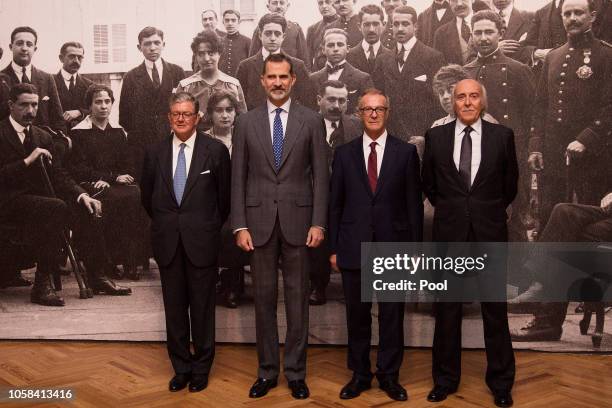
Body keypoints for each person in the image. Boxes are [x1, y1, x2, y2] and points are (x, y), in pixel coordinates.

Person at [231, 53, 329, 400]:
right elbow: (237, 178)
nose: (277, 83)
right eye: (271, 77)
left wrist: (318, 222)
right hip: (257, 225)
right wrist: (239, 225)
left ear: (293, 80)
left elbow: (321, 177)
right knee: (263, 301)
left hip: (300, 224)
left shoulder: (312, 121)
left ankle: (297, 373)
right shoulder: (244, 122)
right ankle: (268, 372)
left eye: (283, 77)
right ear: (261, 80)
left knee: (298, 300)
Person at [422, 79, 518, 407]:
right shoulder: (435, 138)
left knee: (495, 310)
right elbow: (430, 186)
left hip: (489, 233)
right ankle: (445, 380)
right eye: (460, 97)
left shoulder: (502, 137)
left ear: (482, 101)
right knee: (447, 310)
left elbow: (509, 188)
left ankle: (501, 383)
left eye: (473, 96)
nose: (466, 102)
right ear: (452, 102)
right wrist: (456, 213)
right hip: (450, 236)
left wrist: (481, 212)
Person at [329, 88, 423, 401]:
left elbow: (413, 207)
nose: (373, 114)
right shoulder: (343, 154)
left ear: (387, 113)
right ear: (358, 113)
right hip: (353, 245)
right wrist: (333, 248)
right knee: (356, 316)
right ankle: (359, 375)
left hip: (393, 246)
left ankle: (389, 375)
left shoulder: (405, 153)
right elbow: (335, 205)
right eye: (367, 109)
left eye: (379, 109)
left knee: (392, 316)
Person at [0, 83, 128, 306]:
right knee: (55, 207)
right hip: (8, 201)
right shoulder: (1, 133)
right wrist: (26, 161)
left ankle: (97, 276)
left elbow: (59, 175)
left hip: (39, 200)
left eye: (34, 105)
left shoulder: (42, 136)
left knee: (87, 204)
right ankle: (42, 285)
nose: (30, 111)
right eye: (24, 105)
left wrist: (81, 195)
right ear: (11, 105)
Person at [140, 92, 231, 393]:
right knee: (174, 309)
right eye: (175, 113)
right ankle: (181, 368)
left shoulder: (215, 151)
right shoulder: (154, 153)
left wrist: (202, 226)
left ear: (197, 117)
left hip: (201, 242)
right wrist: (171, 224)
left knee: (203, 309)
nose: (181, 119)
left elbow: (224, 200)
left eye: (187, 114)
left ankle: (202, 368)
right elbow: (147, 198)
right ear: (169, 117)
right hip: (168, 242)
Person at [528, 0, 612, 225]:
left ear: (592, 17)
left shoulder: (606, 55)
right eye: (567, 14)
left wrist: (586, 139)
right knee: (550, 211)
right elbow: (541, 106)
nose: (572, 18)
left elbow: (609, 107)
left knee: (588, 214)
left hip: (592, 154)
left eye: (578, 13)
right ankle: (548, 260)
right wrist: (536, 146)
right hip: (554, 152)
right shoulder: (554, 56)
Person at [70, 84, 147, 281]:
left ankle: (131, 260)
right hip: (90, 184)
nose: (103, 106)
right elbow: (78, 169)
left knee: (135, 194)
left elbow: (128, 165)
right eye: (98, 102)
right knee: (112, 198)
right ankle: (107, 262)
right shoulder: (79, 133)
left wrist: (116, 178)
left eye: (107, 102)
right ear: (89, 106)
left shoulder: (119, 132)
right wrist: (108, 179)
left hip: (114, 183)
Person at [309, 80, 362, 306]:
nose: (336, 105)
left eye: (342, 100)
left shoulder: (357, 126)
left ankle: (353, 284)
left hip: (349, 194)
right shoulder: (306, 125)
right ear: (318, 99)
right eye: (331, 99)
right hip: (313, 192)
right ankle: (317, 285)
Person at [119, 26, 186, 181]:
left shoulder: (177, 72)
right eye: (147, 44)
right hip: (142, 145)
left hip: (172, 139)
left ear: (164, 44)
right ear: (139, 47)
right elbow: (125, 115)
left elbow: (185, 106)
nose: (152, 48)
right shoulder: (131, 77)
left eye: (156, 42)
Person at [203, 90, 248, 308]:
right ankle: (217, 283)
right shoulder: (202, 140)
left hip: (241, 201)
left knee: (233, 228)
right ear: (210, 113)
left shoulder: (245, 138)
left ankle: (232, 286)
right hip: (211, 200)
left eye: (229, 110)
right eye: (218, 110)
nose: (224, 115)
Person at [372, 5, 445, 140]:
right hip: (390, 134)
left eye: (405, 24)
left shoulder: (433, 57)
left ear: (415, 26)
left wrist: (428, 136)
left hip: (420, 134)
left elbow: (438, 102)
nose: (400, 29)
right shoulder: (383, 60)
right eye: (396, 24)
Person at [236, 14, 310, 110]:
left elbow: (307, 102)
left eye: (277, 34)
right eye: (268, 33)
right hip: (255, 122)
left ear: (283, 37)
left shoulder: (297, 66)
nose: (272, 38)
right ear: (259, 35)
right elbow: (240, 103)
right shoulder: (245, 67)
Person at [1, 27, 65, 134]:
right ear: (11, 47)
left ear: (35, 49)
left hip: (43, 143)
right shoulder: (1, 78)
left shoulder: (47, 78)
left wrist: (58, 144)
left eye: (29, 44)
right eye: (19, 43)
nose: (24, 48)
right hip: (9, 145)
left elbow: (58, 118)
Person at [177, 30, 247, 120]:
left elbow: (243, 120)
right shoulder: (185, 86)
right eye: (201, 54)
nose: (206, 58)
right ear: (196, 56)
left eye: (211, 53)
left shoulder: (233, 85)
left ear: (219, 54)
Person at [308, 28, 374, 114]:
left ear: (347, 48)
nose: (335, 49)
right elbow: (308, 111)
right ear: (323, 49)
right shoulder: (313, 79)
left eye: (340, 44)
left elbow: (368, 111)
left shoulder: (363, 78)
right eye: (331, 45)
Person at [249, 0, 310, 70]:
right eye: (274, 3)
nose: (278, 6)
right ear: (268, 6)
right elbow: (253, 59)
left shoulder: (295, 29)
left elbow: (304, 60)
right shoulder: (260, 30)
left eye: (282, 3)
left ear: (287, 6)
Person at [54, 42, 94, 130]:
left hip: (83, 136)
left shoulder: (89, 85)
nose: (76, 61)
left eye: (80, 57)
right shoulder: (50, 82)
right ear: (61, 58)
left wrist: (80, 112)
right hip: (57, 136)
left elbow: (95, 110)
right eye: (72, 56)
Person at [346, 4, 394, 75]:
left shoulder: (392, 57)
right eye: (367, 24)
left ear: (383, 25)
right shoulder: (349, 56)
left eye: (375, 24)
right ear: (359, 26)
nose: (371, 30)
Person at [522, 0, 569, 71]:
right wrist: (537, 53)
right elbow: (527, 45)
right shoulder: (542, 12)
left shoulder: (588, 5)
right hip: (548, 73)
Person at [433, 0, 477, 65]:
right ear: (449, 2)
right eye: (454, 0)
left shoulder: (490, 24)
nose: (459, 4)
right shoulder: (441, 33)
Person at [307, 0, 339, 71]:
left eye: (328, 2)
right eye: (320, 3)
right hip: (318, 75)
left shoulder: (343, 25)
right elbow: (308, 58)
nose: (324, 6)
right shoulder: (312, 29)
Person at [218, 10, 251, 77]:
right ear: (223, 22)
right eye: (227, 20)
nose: (230, 23)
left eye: (233, 20)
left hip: (240, 81)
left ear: (238, 22)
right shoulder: (219, 42)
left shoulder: (247, 41)